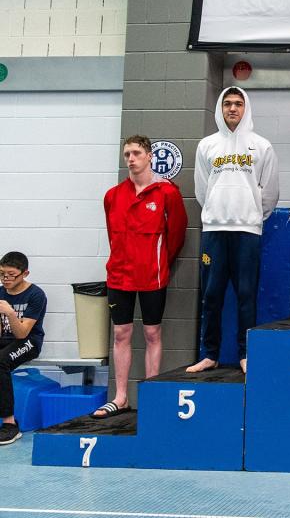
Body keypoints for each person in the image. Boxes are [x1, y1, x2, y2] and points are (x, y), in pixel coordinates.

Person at [93, 135, 187, 418]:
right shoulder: (113, 195)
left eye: (136, 153)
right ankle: (120, 397)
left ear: (149, 156)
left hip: (152, 276)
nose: (131, 159)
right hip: (119, 276)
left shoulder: (166, 193)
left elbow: (177, 235)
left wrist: (157, 262)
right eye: (126, 155)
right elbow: (113, 237)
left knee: (152, 332)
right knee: (121, 333)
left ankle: (151, 394)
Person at [188, 87, 279, 374]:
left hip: (247, 231)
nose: (232, 108)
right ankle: (210, 354)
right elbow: (202, 190)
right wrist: (216, 213)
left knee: (246, 295)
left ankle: (245, 353)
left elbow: (271, 192)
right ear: (220, 107)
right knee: (212, 295)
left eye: (238, 104)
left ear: (246, 107)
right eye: (227, 103)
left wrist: (251, 216)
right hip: (214, 229)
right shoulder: (207, 146)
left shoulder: (261, 146)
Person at [0, 252, 46, 445]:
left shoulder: (36, 295)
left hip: (29, 340)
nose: (6, 279)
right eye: (2, 273)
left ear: (25, 273)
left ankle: (10, 424)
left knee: (0, 361)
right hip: (6, 339)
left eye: (11, 274)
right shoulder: (0, 292)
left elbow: (21, 334)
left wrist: (10, 313)